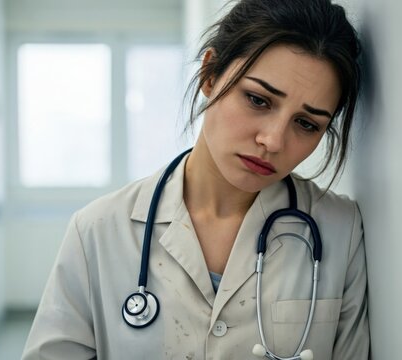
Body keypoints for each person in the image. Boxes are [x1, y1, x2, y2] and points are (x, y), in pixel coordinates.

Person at [22, 0, 369, 358]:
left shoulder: (339, 231)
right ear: (209, 74)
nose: (274, 141)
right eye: (258, 100)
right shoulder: (96, 230)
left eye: (307, 124)